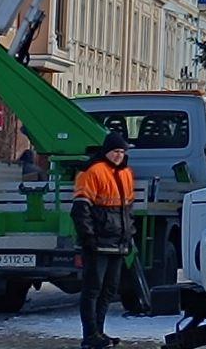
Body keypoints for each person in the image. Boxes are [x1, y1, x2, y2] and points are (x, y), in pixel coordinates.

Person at [72, 131, 135, 349]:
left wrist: (128, 234)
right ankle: (90, 335)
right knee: (93, 290)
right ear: (107, 151)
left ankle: (97, 332)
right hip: (99, 242)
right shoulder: (93, 171)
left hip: (117, 242)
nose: (119, 155)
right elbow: (81, 208)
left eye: (122, 151)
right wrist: (87, 237)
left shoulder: (126, 173)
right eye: (116, 151)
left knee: (108, 290)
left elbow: (127, 208)